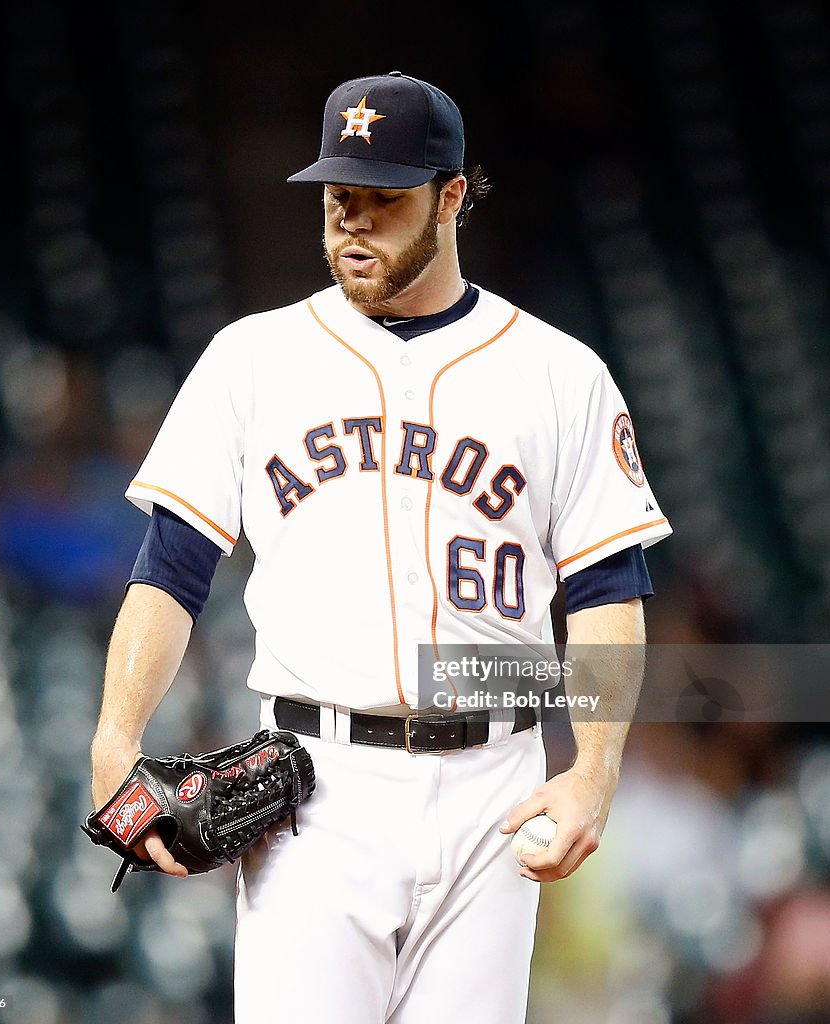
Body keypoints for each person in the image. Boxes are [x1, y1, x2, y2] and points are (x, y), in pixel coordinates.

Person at [90, 71, 672, 1023]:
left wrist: (595, 769)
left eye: (385, 200)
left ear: (452, 198)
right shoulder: (251, 358)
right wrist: (115, 736)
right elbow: (169, 573)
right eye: (338, 200)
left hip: (498, 787)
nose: (354, 224)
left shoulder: (561, 373)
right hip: (314, 790)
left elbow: (609, 588)